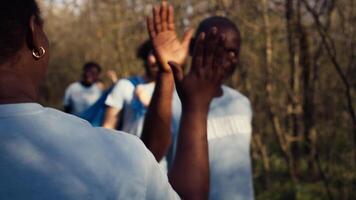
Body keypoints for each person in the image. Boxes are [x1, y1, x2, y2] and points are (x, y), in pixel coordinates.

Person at [0, 0, 227, 199]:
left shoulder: (123, 156)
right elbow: (134, 156)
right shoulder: (119, 156)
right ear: (33, 33)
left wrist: (166, 75)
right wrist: (196, 109)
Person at [141, 2, 254, 199]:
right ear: (195, 47)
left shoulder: (241, 103)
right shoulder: (174, 100)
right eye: (219, 48)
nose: (229, 58)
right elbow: (150, 153)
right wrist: (166, 72)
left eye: (234, 52)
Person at [102, 40, 159, 136]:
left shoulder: (179, 92)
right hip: (128, 150)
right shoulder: (125, 85)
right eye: (154, 53)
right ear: (145, 56)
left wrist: (149, 105)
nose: (159, 59)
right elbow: (108, 127)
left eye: (163, 54)